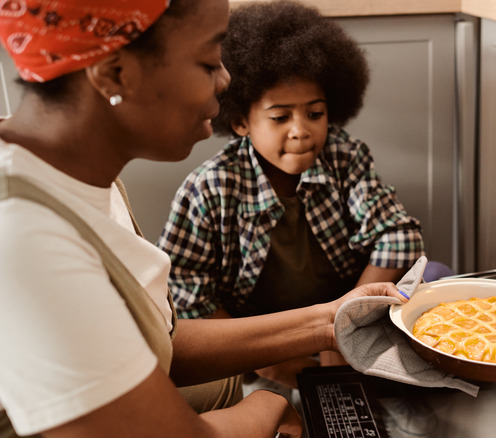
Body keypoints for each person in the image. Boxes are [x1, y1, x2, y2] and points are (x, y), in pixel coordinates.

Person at [0, 1, 405, 437]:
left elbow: (162, 339)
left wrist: (332, 321)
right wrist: (267, 407)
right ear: (115, 73)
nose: (226, 79)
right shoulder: (24, 235)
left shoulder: (78, 175)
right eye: (209, 60)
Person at [156, 0, 426, 390]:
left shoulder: (344, 157)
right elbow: (187, 294)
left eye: (314, 114)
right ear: (240, 121)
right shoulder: (208, 188)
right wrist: (276, 363)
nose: (301, 130)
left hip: (347, 322)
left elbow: (399, 236)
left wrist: (345, 321)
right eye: (280, 117)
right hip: (259, 345)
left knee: (436, 282)